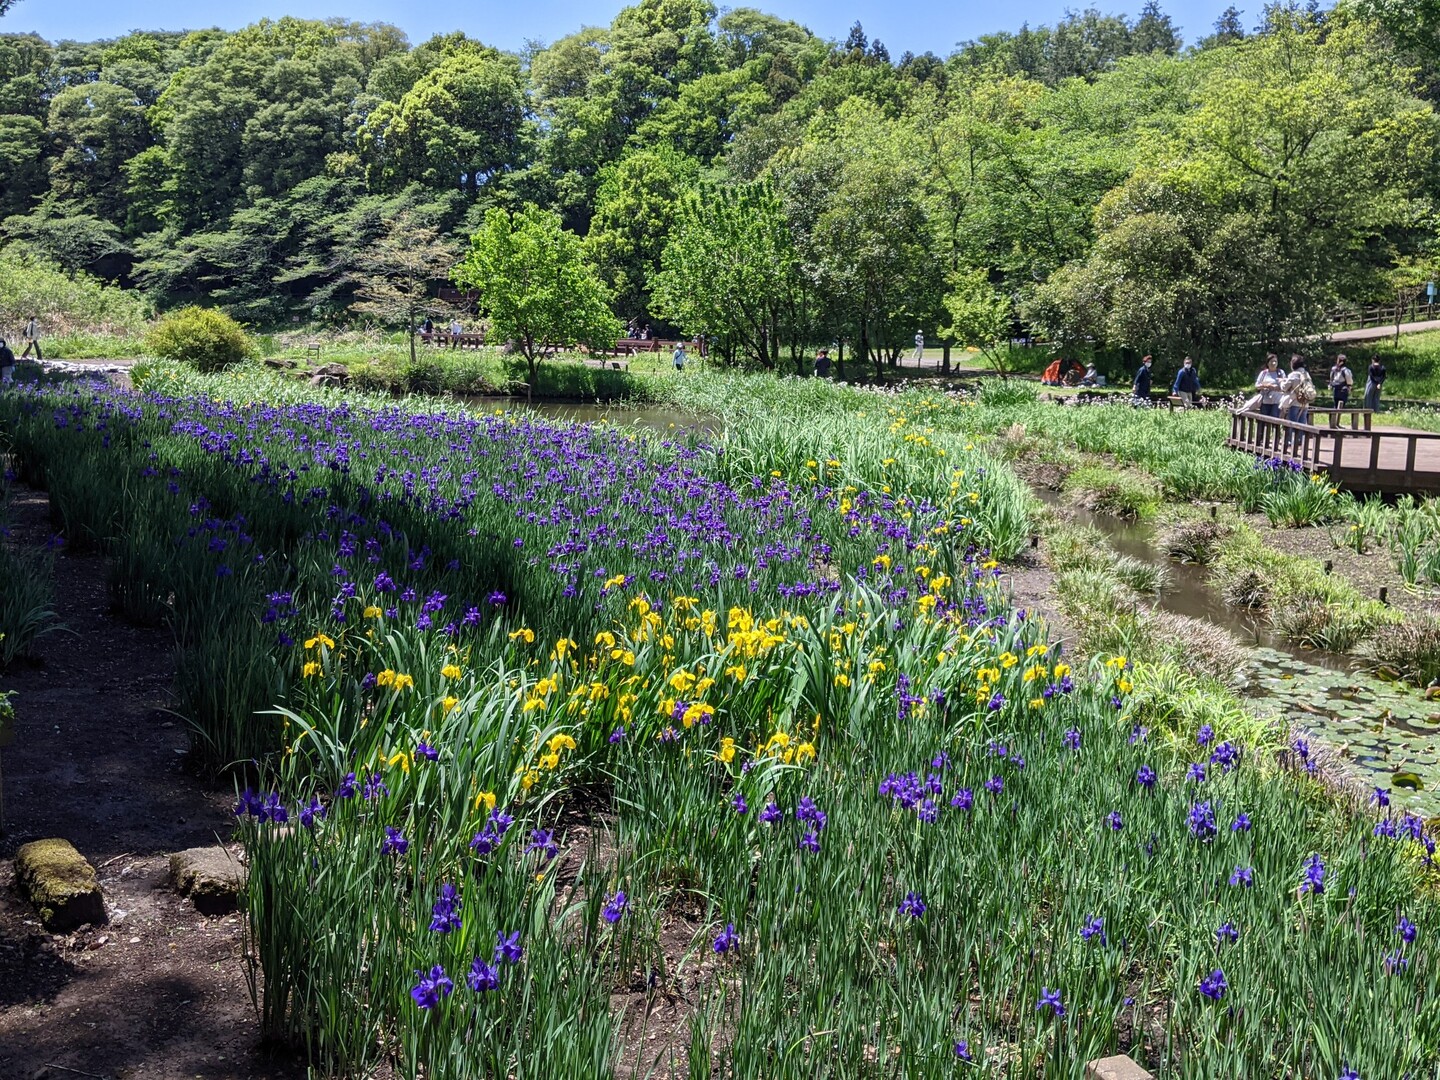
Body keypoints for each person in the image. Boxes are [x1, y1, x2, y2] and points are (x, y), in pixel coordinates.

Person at [1281, 356, 1316, 425]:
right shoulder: (1306, 374)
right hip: (1305, 402)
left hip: (1294, 402)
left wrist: (1281, 382)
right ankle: (1300, 436)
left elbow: (1284, 387)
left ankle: (1291, 436)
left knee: (1292, 425)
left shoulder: (1293, 375)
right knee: (1302, 425)